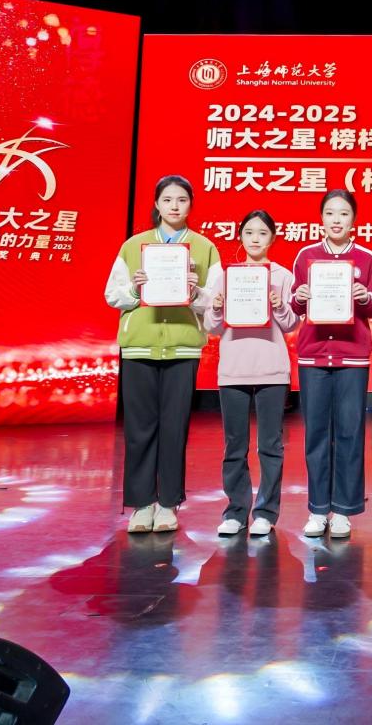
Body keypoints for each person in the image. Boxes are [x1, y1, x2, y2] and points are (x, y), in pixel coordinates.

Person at [104, 174, 220, 533]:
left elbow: (216, 302)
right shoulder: (133, 246)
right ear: (156, 204)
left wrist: (195, 291)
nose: (174, 206)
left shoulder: (204, 248)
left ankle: (168, 503)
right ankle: (142, 504)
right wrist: (135, 290)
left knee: (174, 428)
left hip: (183, 347)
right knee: (139, 429)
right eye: (167, 199)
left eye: (182, 200)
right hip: (139, 345)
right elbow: (112, 295)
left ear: (190, 205)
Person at [204, 209, 299, 537]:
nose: (255, 239)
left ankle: (266, 512)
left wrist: (279, 305)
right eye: (249, 233)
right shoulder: (225, 276)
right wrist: (217, 307)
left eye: (262, 233)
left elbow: (292, 323)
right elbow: (212, 326)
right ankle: (235, 511)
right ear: (240, 237)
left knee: (270, 445)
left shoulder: (282, 276)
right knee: (234, 445)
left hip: (272, 368)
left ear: (272, 238)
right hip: (234, 368)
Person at [290, 189, 372, 539]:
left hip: (352, 356)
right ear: (321, 218)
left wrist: (365, 297)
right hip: (313, 355)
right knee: (316, 433)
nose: (336, 220)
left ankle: (343, 510)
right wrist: (299, 297)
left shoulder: (366, 258)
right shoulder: (306, 256)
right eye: (330, 213)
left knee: (349, 433)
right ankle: (317, 509)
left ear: (353, 219)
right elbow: (296, 306)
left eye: (343, 213)